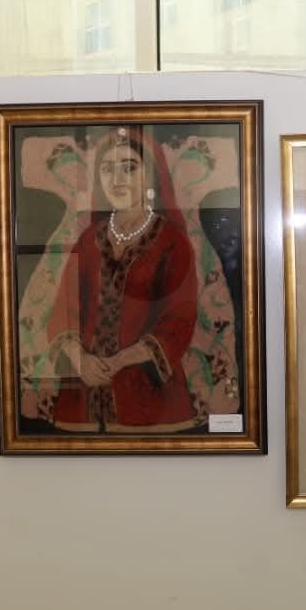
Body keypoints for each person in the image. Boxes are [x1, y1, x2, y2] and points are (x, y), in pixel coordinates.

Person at [47, 127, 199, 432]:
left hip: (148, 397)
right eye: (107, 169)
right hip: (82, 397)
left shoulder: (171, 242)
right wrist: (80, 360)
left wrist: (118, 362)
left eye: (129, 168)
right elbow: (65, 306)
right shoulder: (89, 240)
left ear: (149, 176)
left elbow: (179, 319)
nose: (116, 180)